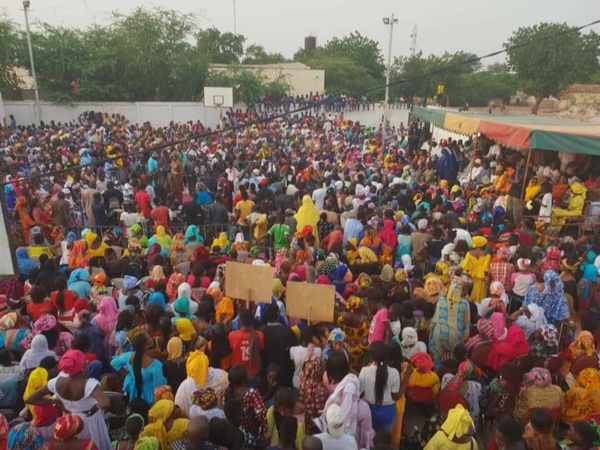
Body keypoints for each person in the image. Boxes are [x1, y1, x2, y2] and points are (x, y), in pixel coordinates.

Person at [25, 349, 112, 450]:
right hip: (90, 422)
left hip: (68, 424)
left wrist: (55, 400)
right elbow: (105, 403)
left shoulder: (56, 382)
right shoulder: (90, 384)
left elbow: (29, 399)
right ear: (82, 367)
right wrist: (95, 407)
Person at [110, 332, 167, 405]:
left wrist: (128, 373)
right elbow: (160, 387)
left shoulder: (128, 356)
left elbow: (113, 362)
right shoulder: (156, 365)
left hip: (134, 391)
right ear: (146, 345)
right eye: (149, 338)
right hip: (150, 396)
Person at [358, 342, 400, 432]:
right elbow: (395, 396)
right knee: (384, 436)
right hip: (388, 410)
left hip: (370, 409)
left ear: (371, 357)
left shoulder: (364, 371)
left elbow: (360, 394)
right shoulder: (394, 372)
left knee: (371, 436)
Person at [224, 365, 268, 450]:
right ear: (244, 379)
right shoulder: (252, 393)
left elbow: (225, 410)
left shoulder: (228, 393)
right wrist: (262, 436)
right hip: (250, 437)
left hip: (232, 434)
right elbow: (262, 414)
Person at [429, 279, 470, 364]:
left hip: (439, 333)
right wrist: (463, 339)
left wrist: (431, 334)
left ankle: (437, 372)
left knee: (437, 357)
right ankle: (452, 373)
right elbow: (466, 325)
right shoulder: (465, 304)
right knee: (454, 359)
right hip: (455, 336)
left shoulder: (441, 301)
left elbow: (435, 320)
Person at [460, 236, 490, 302]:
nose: (486, 246)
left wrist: (469, 272)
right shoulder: (487, 255)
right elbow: (485, 268)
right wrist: (487, 279)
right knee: (482, 295)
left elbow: (465, 265)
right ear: (482, 245)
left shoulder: (469, 253)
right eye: (485, 244)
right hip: (482, 278)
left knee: (473, 293)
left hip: (473, 276)